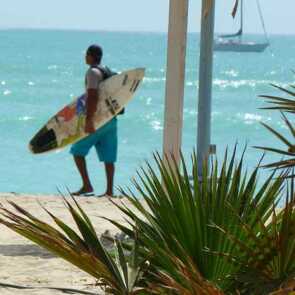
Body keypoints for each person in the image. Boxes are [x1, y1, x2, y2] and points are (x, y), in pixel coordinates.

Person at [70, 44, 118, 197]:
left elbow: (92, 96)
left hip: (97, 120)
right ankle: (109, 190)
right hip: (111, 119)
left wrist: (89, 119)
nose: (85, 57)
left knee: (77, 150)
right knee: (109, 157)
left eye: (87, 54)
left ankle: (87, 185)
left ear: (91, 56)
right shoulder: (109, 71)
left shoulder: (92, 72)